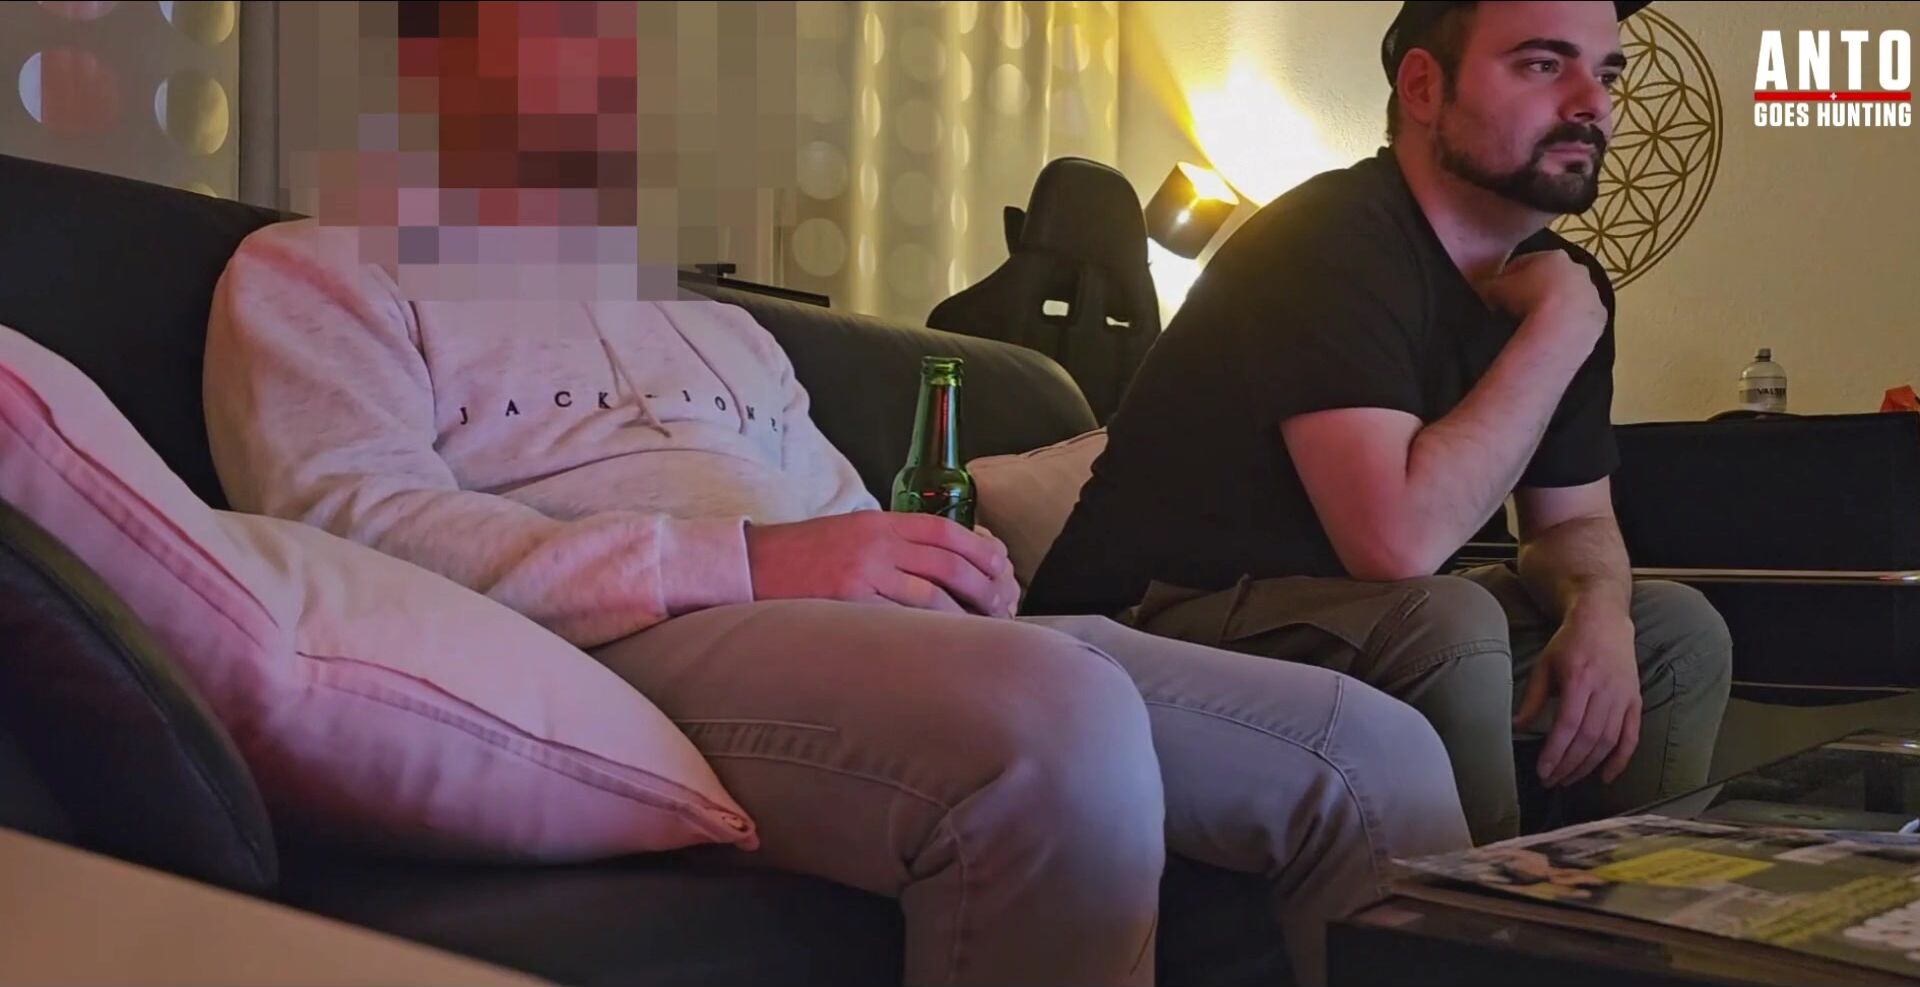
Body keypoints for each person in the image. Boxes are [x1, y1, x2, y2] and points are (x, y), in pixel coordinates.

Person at [199, 4, 1472, 986]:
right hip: (618, 644)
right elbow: (352, 534)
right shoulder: (318, 269)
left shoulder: (720, 329)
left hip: (868, 641)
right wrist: (750, 560)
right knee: (1051, 723)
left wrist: (941, 570)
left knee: (1376, 751)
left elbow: (851, 530)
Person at [1024, 0, 1733, 847]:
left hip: (1337, 626)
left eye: (1605, 72)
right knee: (1446, 623)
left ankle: (1618, 916)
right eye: (1543, 65)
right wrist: (1556, 333)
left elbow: (1572, 523)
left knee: (1675, 633)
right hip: (1126, 633)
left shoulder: (1563, 283)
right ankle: (1474, 919)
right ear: (1424, 88)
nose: (1593, 103)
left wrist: (1601, 614)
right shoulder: (1330, 239)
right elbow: (1393, 546)